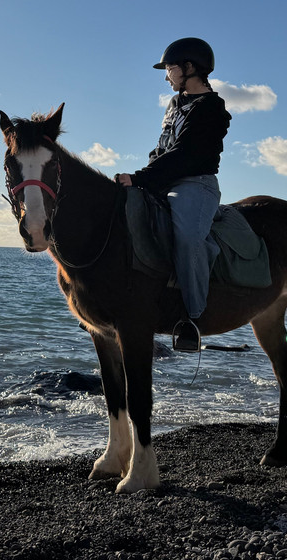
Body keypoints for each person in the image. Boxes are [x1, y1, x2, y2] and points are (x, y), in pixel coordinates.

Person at [114, 37, 231, 352]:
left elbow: (185, 155)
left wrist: (140, 178)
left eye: (170, 68)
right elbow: (163, 148)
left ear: (189, 68)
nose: (166, 76)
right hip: (163, 179)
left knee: (187, 238)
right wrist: (143, 177)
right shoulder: (174, 104)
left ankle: (192, 318)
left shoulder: (212, 108)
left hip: (195, 184)